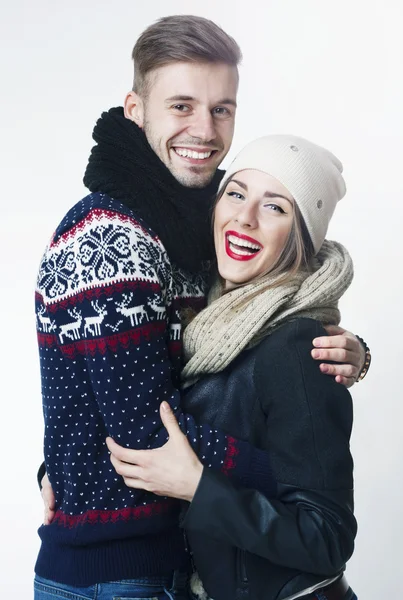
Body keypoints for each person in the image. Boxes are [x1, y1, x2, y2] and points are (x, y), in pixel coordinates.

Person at [35, 15, 367, 600]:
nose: (204, 130)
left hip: (174, 559)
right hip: (120, 567)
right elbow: (144, 432)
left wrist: (356, 354)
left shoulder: (197, 236)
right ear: (135, 108)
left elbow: (273, 320)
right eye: (181, 105)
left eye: (222, 109)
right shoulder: (114, 240)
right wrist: (291, 475)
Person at [107, 135, 359, 600]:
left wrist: (197, 488)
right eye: (237, 193)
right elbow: (141, 399)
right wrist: (56, 469)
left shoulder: (297, 345)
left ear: (301, 237)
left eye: (276, 207)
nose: (244, 217)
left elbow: (328, 537)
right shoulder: (202, 314)